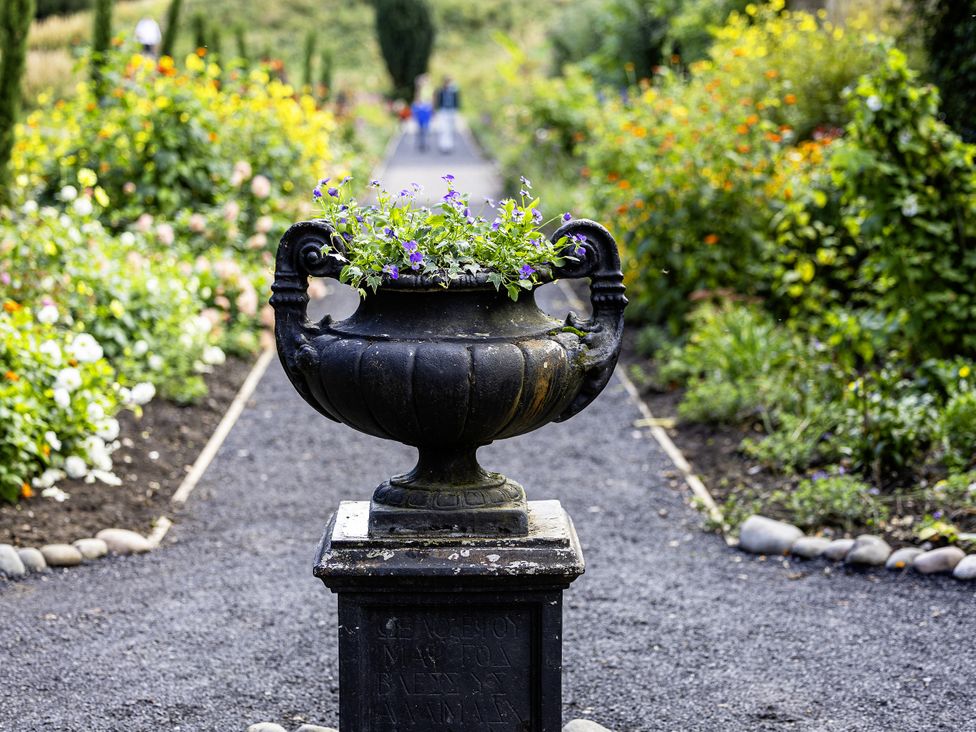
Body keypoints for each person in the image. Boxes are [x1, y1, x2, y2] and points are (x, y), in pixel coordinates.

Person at [435, 77, 461, 154]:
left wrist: (456, 111)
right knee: (443, 129)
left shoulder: (454, 91)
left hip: (451, 111)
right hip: (443, 111)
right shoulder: (441, 91)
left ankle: (449, 146)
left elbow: (456, 101)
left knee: (450, 129)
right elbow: (438, 101)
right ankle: (443, 145)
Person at [411, 74, 434, 152]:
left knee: (426, 128)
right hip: (421, 110)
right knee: (420, 128)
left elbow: (431, 100)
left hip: (426, 110)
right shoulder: (418, 90)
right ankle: (420, 144)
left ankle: (425, 143)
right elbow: (416, 101)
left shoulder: (429, 89)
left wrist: (432, 110)